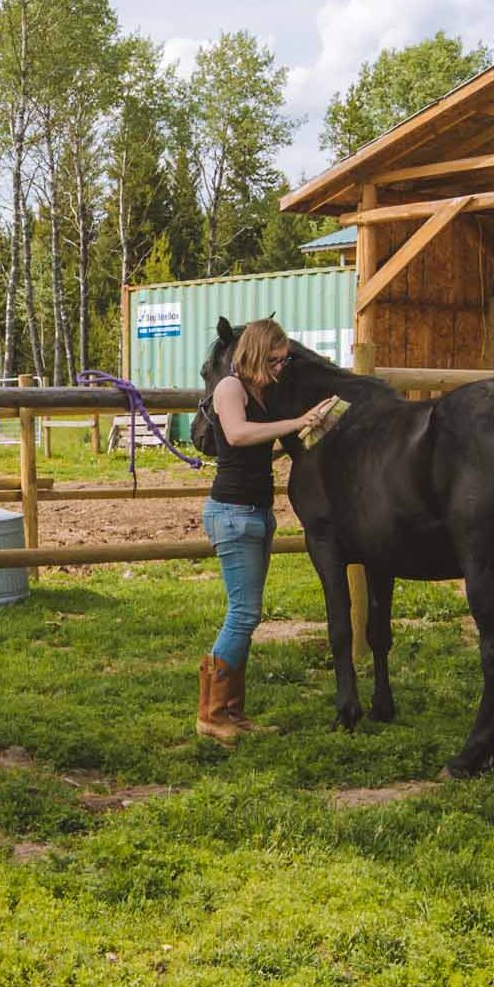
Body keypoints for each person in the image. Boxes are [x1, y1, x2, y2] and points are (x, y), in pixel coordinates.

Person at [198, 318, 336, 743]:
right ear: (256, 352)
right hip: (233, 513)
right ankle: (212, 715)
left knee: (247, 614)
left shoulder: (258, 393)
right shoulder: (229, 389)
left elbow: (255, 449)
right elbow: (238, 436)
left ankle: (230, 712)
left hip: (254, 512)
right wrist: (296, 422)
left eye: (284, 359)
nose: (281, 366)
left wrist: (305, 433)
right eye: (275, 359)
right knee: (243, 614)